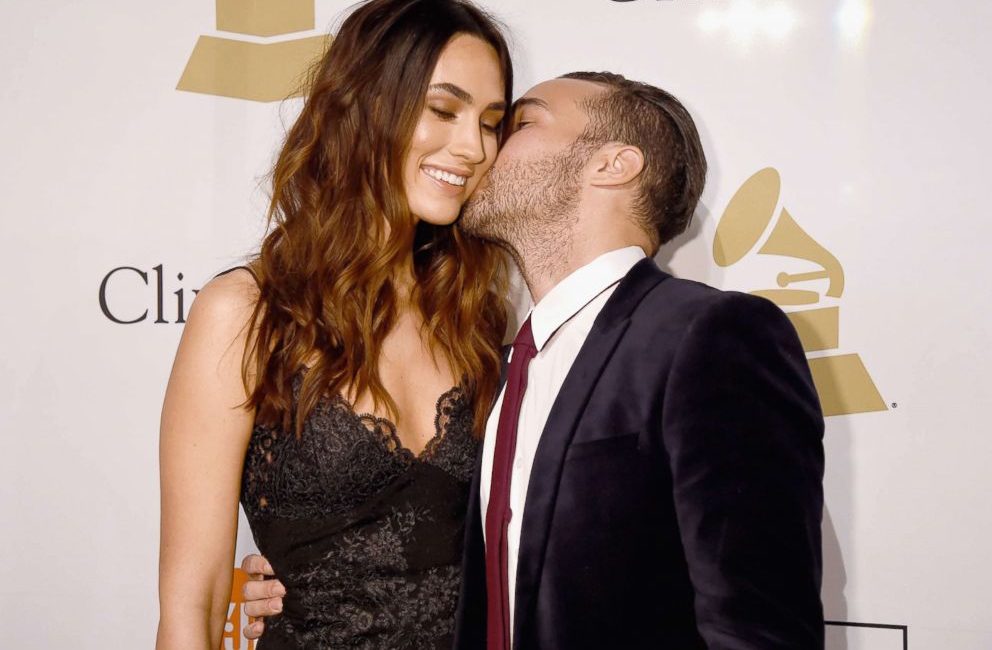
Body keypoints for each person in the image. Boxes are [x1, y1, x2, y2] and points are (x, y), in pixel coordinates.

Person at [243, 72, 826, 648]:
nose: (481, 149)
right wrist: (314, 571)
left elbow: (758, 629)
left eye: (517, 124)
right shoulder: (490, 364)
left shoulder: (713, 335)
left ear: (612, 165)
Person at [156, 0, 514, 650]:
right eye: (443, 111)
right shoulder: (247, 314)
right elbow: (195, 602)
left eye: (492, 122)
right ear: (366, 106)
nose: (472, 147)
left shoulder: (478, 318)